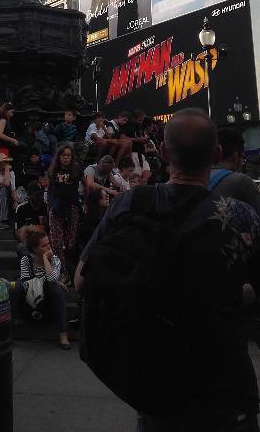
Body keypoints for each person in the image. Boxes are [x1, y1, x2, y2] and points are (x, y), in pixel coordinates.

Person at [78, 108, 260, 432]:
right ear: (217, 154)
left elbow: (82, 278)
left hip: (156, 384)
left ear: (162, 152)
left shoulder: (129, 203)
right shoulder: (241, 217)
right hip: (225, 390)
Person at [12, 227, 70, 349]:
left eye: (49, 243)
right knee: (17, 287)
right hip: (31, 303)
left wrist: (45, 259)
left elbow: (52, 279)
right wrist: (47, 281)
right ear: (34, 249)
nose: (49, 247)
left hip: (49, 305)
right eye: (44, 246)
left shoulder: (54, 260)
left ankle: (63, 336)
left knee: (55, 288)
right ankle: (9, 331)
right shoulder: (25, 260)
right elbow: (26, 282)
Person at [47, 145, 82, 284]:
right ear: (59, 156)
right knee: (56, 243)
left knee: (70, 243)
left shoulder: (76, 170)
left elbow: (86, 185)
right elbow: (49, 189)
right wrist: (49, 206)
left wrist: (82, 203)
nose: (66, 158)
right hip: (56, 208)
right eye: (63, 155)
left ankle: (70, 272)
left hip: (72, 206)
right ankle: (62, 273)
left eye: (68, 155)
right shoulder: (53, 170)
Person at [209, 127, 260, 215]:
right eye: (243, 158)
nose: (242, 164)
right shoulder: (242, 181)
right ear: (236, 156)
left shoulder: (200, 177)